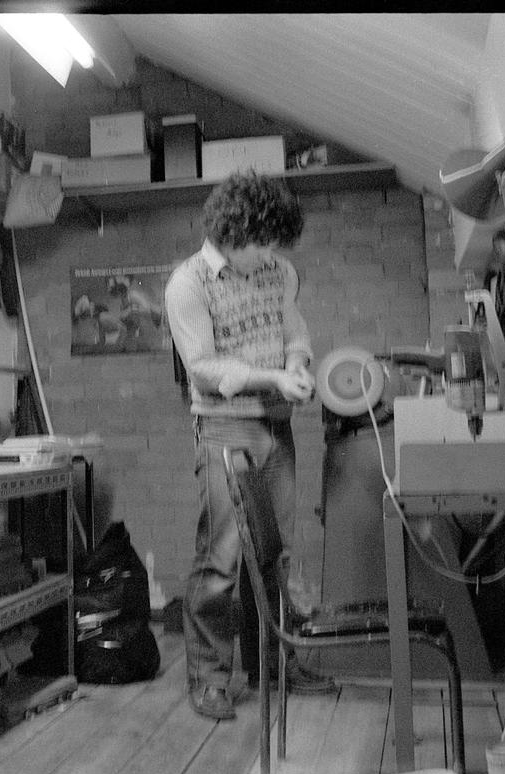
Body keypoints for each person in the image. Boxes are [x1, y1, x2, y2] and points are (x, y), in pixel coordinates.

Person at [164, 170, 336, 721]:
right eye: (259, 243)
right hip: (222, 426)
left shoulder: (278, 270)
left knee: (277, 552)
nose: (267, 254)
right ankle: (211, 678)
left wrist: (297, 364)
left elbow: (295, 330)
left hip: (275, 426)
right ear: (230, 234)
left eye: (273, 244)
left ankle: (280, 665)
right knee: (222, 559)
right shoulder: (187, 284)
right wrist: (271, 380)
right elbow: (205, 369)